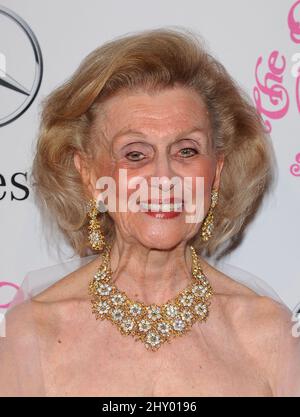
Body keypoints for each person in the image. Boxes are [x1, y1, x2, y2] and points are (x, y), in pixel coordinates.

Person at [1, 28, 299, 397]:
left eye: (187, 151)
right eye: (135, 154)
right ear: (89, 174)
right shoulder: (29, 336)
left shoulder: (270, 334)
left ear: (216, 172)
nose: (164, 178)